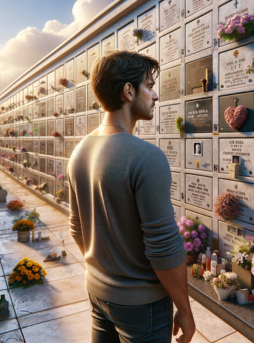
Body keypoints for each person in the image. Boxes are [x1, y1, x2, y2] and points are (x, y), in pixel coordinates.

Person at [67, 50, 196, 343]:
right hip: (142, 306)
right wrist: (185, 309)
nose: (155, 96)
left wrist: (107, 270)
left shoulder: (79, 151)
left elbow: (77, 229)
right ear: (128, 91)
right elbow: (164, 247)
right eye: (149, 86)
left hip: (97, 291)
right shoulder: (145, 157)